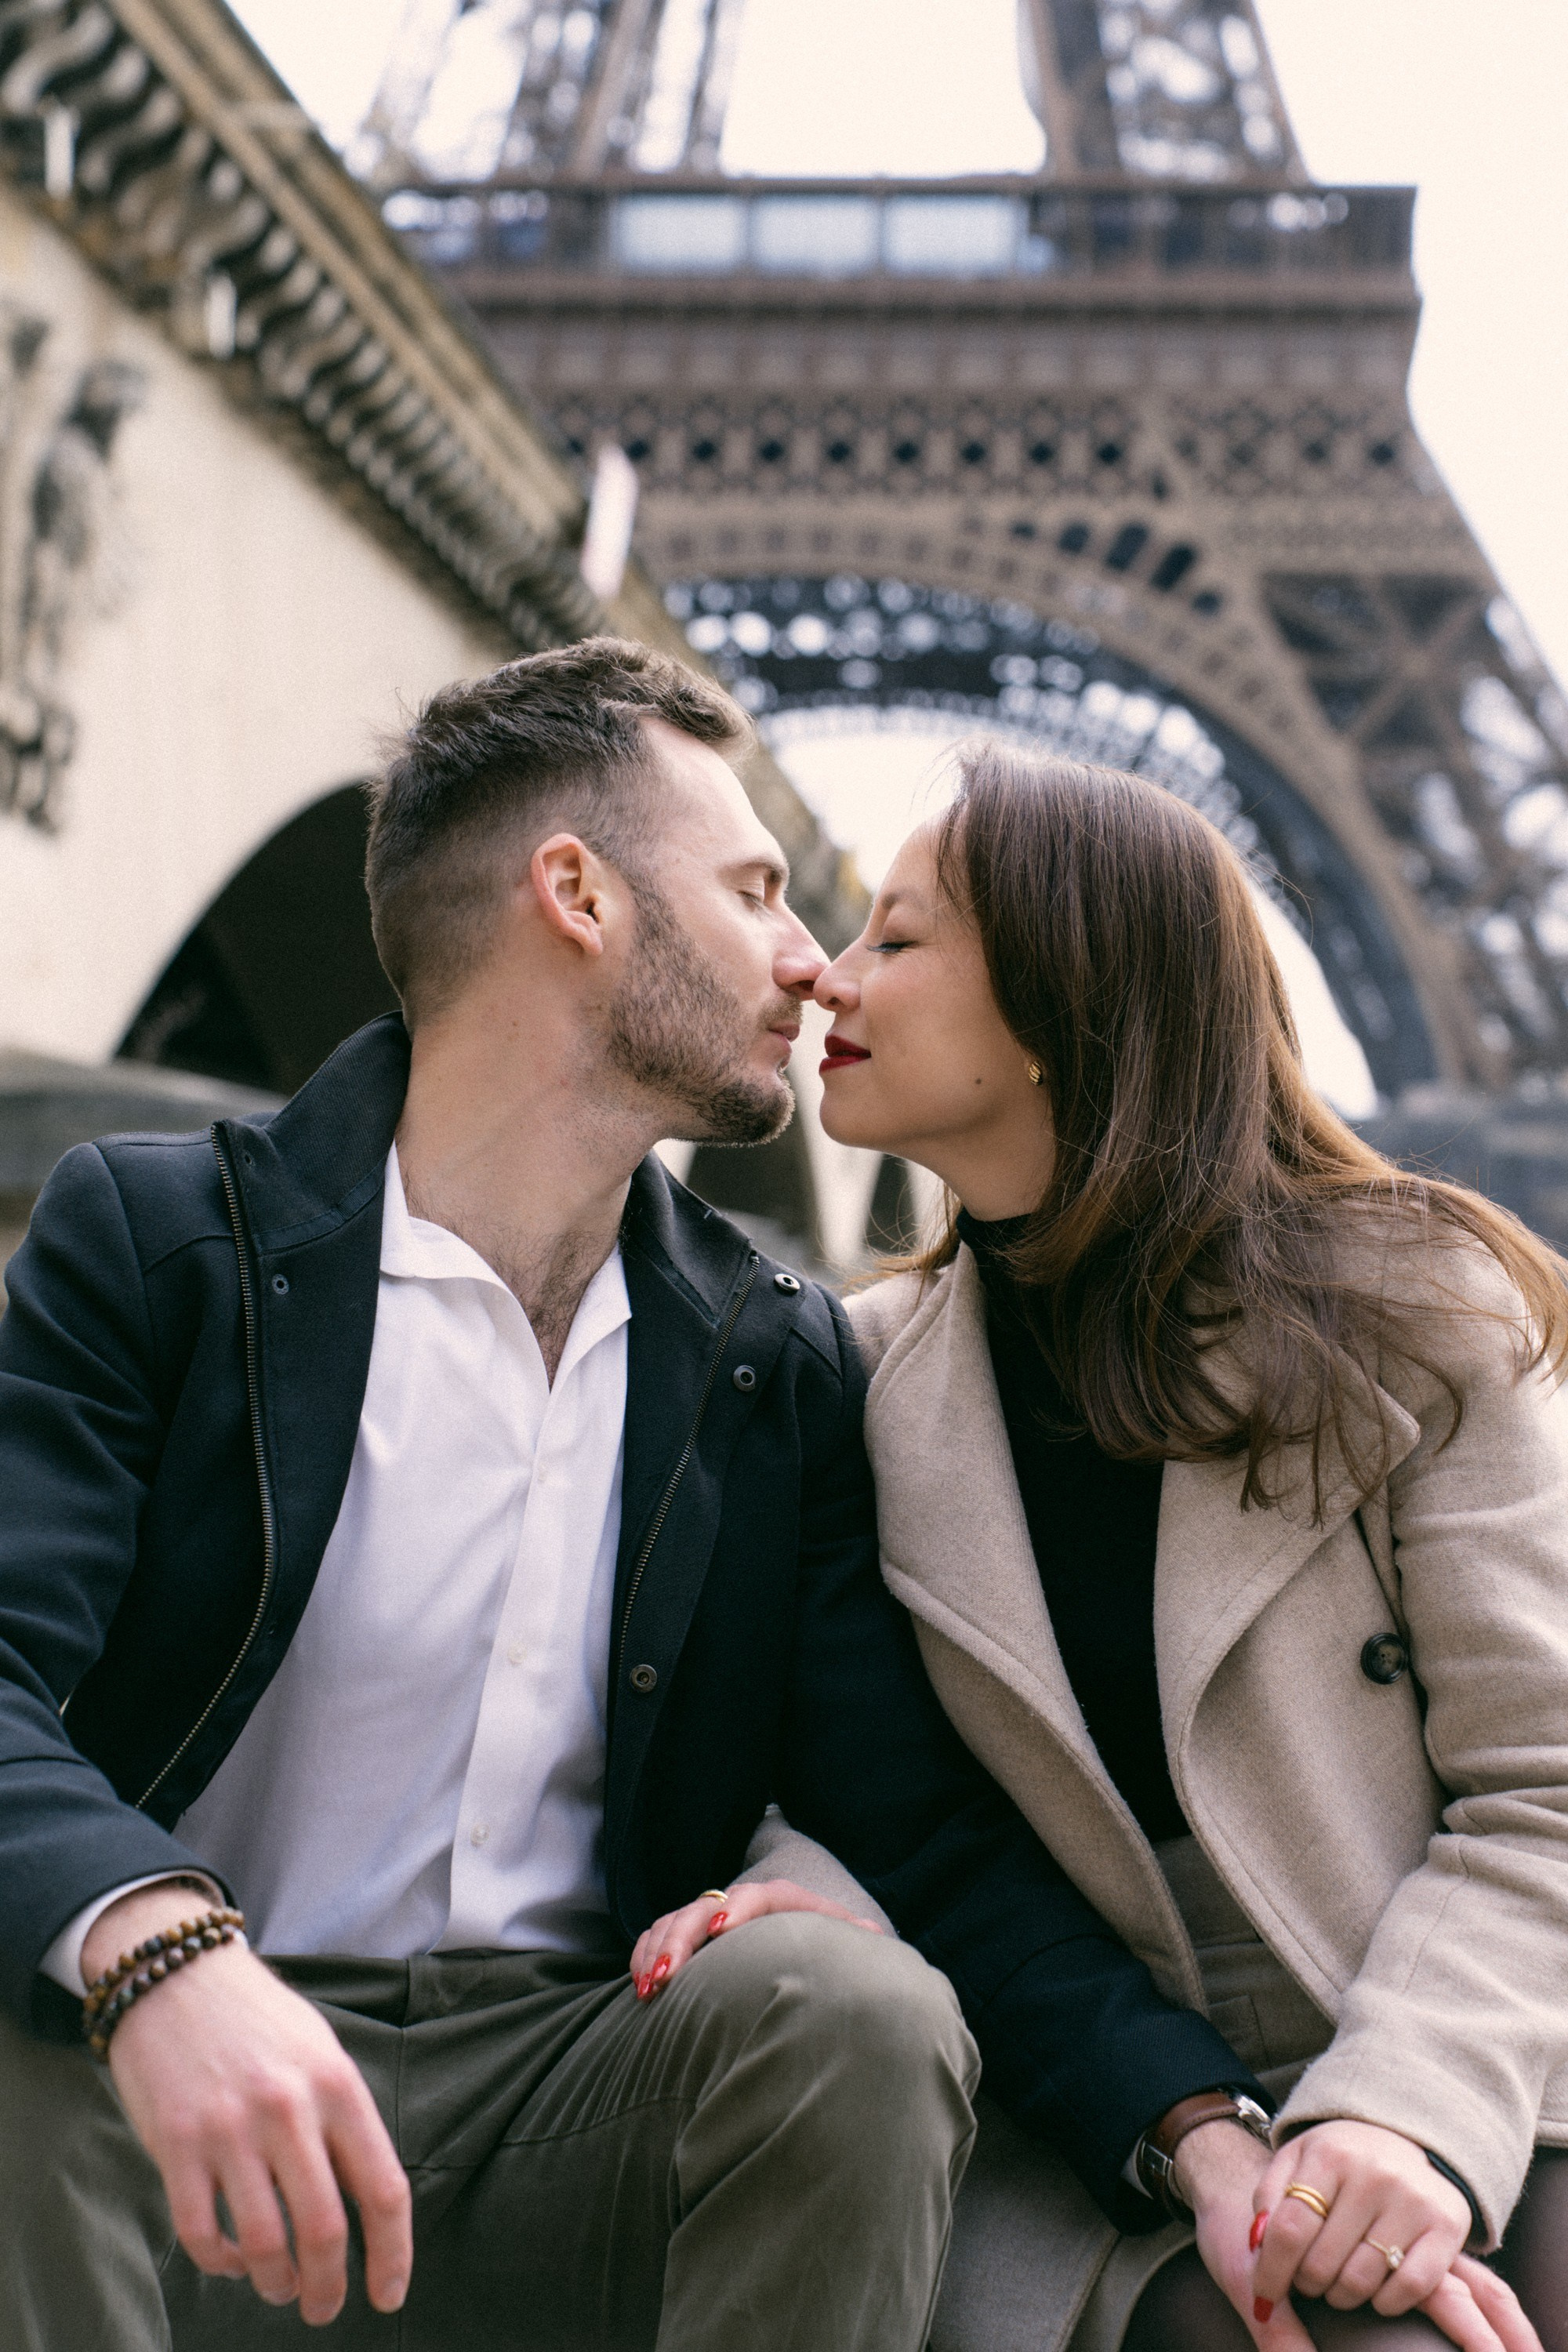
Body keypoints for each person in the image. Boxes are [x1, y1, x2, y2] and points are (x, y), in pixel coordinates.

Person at [0, 644, 1284, 2352]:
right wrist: (157, 1952)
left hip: (570, 2111)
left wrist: (1195, 2123)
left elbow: (919, 1831)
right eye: (755, 890)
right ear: (576, 894)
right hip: (174, 2107)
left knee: (851, 2008)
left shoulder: (770, 1360)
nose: (811, 961)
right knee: (26, 2000)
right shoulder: (159, 1246)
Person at [797, 744, 1568, 2352]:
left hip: (1462, 2019)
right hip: (1098, 2107)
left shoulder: (1413, 1314)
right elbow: (861, 1796)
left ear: (1062, 996)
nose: (826, 968)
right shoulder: (846, 1381)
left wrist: (1398, 2118)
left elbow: (1548, 1786)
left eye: (897, 934)